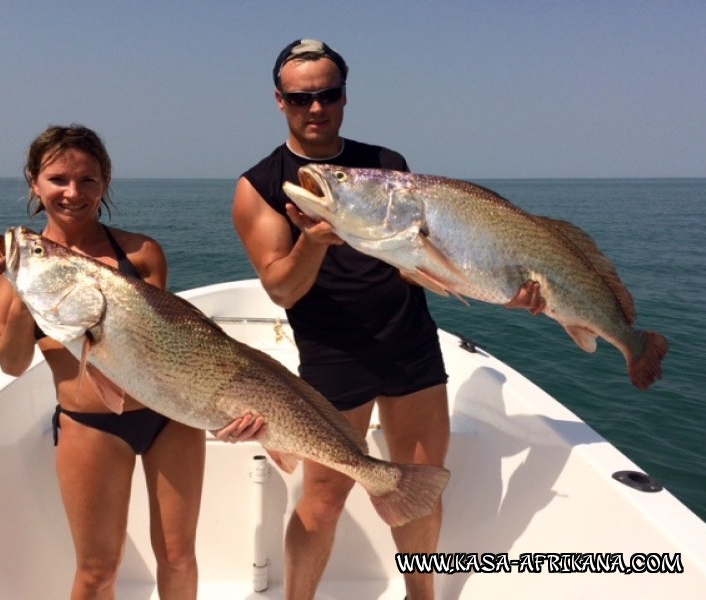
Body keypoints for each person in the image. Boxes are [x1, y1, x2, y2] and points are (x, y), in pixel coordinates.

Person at [230, 40, 545, 600]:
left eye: (328, 94)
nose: (316, 108)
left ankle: (419, 597)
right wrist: (314, 241)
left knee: (419, 486)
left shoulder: (385, 166)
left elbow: (414, 264)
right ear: (280, 101)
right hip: (333, 355)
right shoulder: (259, 186)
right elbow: (281, 289)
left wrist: (501, 293)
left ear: (345, 96)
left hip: (410, 344)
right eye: (302, 98)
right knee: (323, 500)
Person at [0, 125, 223, 600]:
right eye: (57, 179)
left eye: (88, 180)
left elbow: (167, 345)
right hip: (91, 427)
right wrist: (21, 292)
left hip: (169, 418)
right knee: (97, 570)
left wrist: (221, 408)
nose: (73, 193)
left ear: (104, 183)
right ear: (34, 182)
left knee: (179, 556)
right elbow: (12, 363)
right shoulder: (12, 263)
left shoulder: (142, 253)